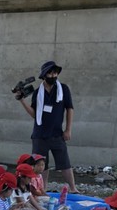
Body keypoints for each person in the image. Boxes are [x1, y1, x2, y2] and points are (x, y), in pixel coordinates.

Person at [16, 60, 78, 193]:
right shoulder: (38, 93)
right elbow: (34, 113)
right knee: (40, 165)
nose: (53, 76)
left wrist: (68, 129)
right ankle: (43, 189)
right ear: (44, 75)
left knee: (65, 162)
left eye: (55, 73)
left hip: (57, 133)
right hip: (40, 135)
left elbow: (70, 109)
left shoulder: (63, 89)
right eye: (50, 73)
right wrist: (22, 100)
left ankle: (73, 188)